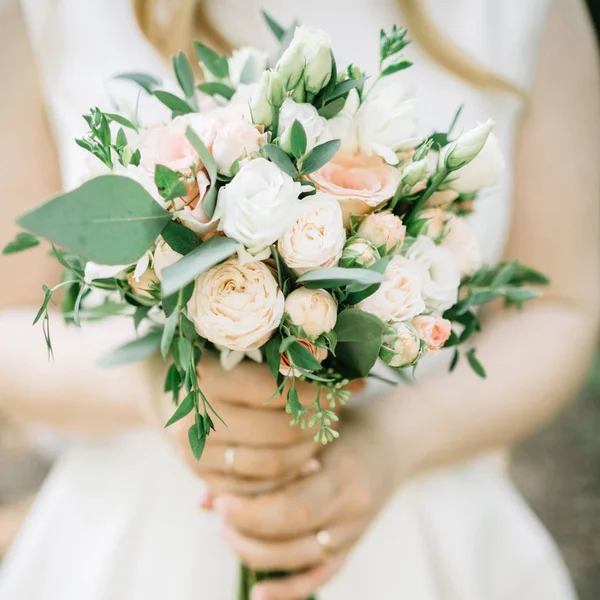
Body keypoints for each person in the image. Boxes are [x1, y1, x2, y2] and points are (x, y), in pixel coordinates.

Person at [0, 0, 598, 598]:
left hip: (423, 521)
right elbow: (11, 318)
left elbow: (561, 306)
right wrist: (150, 389)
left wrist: (394, 442)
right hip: (135, 540)